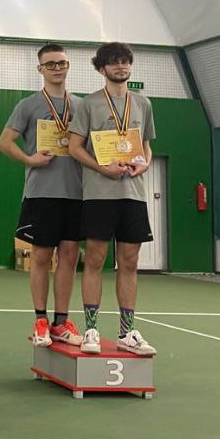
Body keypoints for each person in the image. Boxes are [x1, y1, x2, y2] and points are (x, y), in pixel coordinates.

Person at [68, 43, 157, 356]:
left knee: (129, 262)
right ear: (101, 68)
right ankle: (91, 329)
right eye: (114, 62)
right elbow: (74, 147)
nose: (121, 67)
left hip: (134, 195)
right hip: (99, 195)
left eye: (125, 61)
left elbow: (146, 146)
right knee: (94, 260)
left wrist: (145, 163)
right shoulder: (89, 104)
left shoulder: (143, 104)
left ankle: (126, 332)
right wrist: (100, 168)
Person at [0, 45, 85, 347]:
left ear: (68, 66)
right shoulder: (28, 105)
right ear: (40, 69)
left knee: (70, 256)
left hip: (77, 193)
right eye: (50, 64)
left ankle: (61, 322)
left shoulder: (82, 106)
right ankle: (40, 321)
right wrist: (29, 159)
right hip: (41, 193)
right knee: (41, 257)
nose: (57, 68)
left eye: (61, 63)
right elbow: (4, 142)